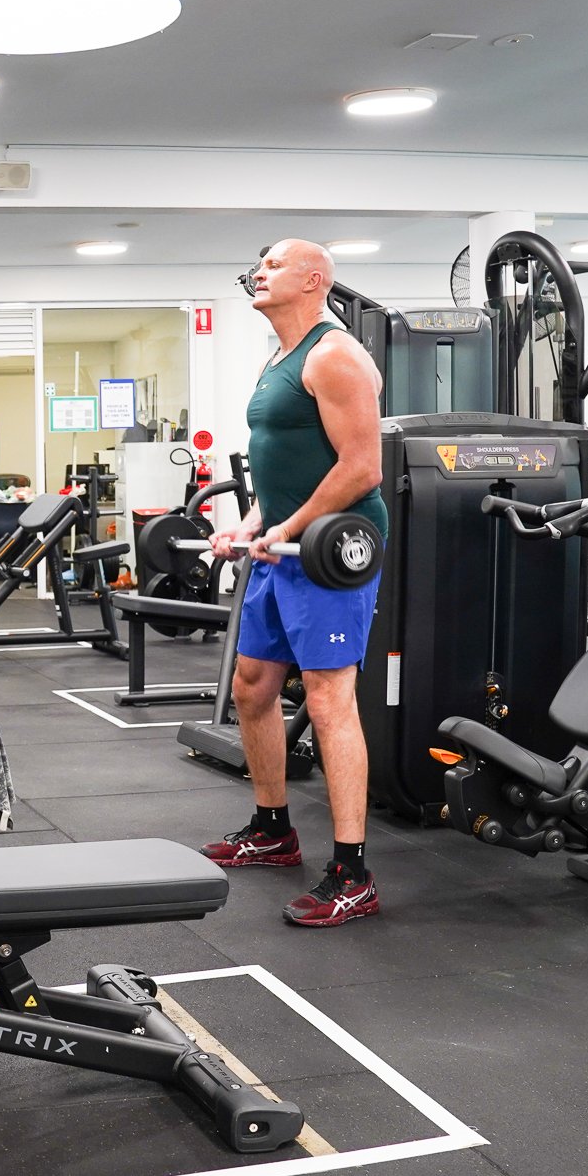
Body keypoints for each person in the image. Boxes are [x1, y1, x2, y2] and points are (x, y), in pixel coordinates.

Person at [204, 239, 388, 928]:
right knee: (252, 684)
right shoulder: (279, 357)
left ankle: (353, 872)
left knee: (328, 696)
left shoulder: (333, 354)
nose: (260, 270)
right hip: (285, 547)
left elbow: (361, 467)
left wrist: (289, 529)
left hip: (332, 551)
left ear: (314, 280)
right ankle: (274, 827)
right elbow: (282, 470)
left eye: (275, 264)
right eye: (259, 264)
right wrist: (251, 523)